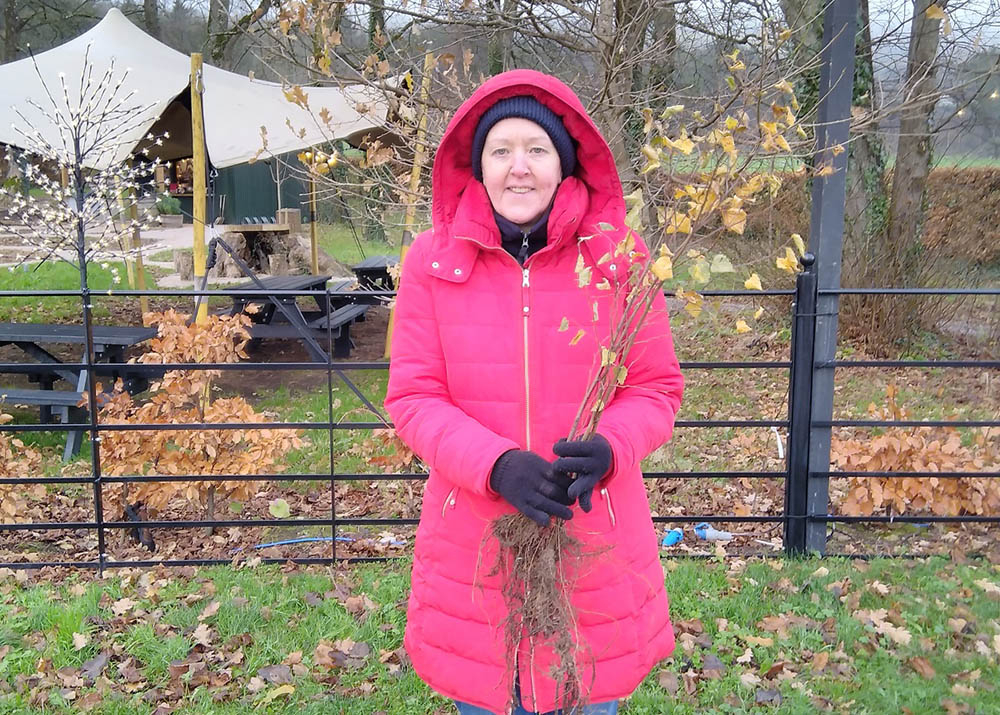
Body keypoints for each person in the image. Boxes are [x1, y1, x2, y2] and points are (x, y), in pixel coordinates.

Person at [384, 69, 684, 715]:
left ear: (565, 162)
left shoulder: (620, 258)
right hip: (476, 545)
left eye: (537, 149)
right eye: (501, 150)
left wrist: (610, 446)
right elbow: (413, 396)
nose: (518, 168)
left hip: (591, 545)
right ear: (478, 165)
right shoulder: (431, 262)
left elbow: (656, 387)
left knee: (584, 697)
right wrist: (496, 464)